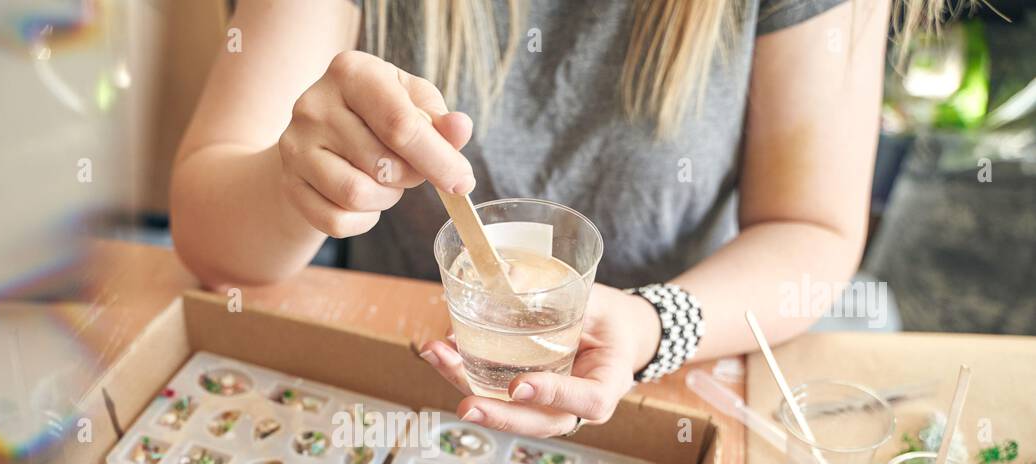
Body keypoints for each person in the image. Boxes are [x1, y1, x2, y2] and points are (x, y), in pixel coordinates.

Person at [173, 0, 924, 437]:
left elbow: (812, 230)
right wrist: (293, 180)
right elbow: (214, 244)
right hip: (404, 395)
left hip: (678, 394)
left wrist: (651, 326)